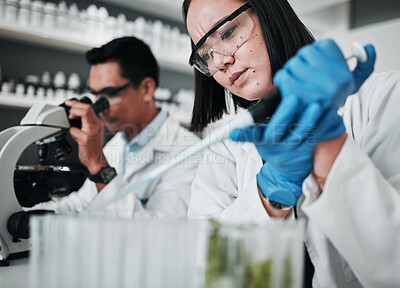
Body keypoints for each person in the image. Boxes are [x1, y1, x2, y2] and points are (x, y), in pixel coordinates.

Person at [182, 0, 400, 287]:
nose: (220, 61)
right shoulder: (225, 148)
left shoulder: (382, 98)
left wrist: (328, 146)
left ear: (271, 11)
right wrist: (270, 194)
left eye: (227, 32)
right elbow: (205, 272)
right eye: (205, 54)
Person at [33, 36, 199, 219]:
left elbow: (158, 232)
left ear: (146, 89)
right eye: (96, 95)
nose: (100, 107)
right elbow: (79, 206)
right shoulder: (116, 146)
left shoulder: (189, 152)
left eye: (110, 93)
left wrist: (99, 166)